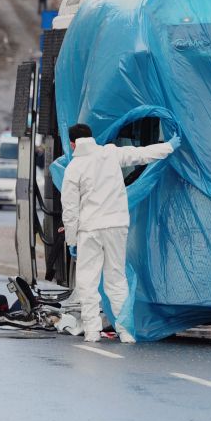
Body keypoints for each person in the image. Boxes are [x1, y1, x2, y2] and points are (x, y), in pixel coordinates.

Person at [61, 123, 181, 343]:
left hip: (90, 229)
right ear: (92, 137)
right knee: (116, 278)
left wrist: (71, 239)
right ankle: (125, 331)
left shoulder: (74, 168)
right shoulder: (110, 154)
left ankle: (92, 331)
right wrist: (170, 146)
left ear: (72, 143)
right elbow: (142, 154)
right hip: (116, 226)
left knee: (87, 281)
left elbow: (70, 209)